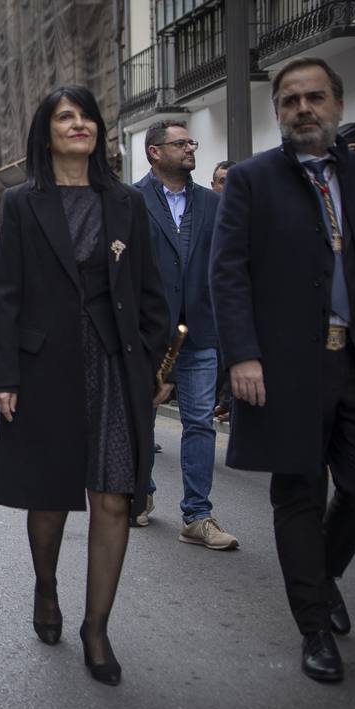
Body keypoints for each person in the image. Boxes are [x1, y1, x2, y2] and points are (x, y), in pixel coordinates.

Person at [211, 57, 355, 682]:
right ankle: (314, 626)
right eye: (289, 101)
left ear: (336, 106)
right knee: (298, 493)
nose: (302, 109)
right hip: (286, 368)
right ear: (278, 113)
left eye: (314, 98)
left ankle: (324, 574)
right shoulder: (253, 181)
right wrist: (243, 354)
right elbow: (227, 273)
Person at [0, 85, 169, 686]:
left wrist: (149, 359)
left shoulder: (126, 203)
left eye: (87, 115)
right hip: (45, 366)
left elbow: (148, 289)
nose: (79, 124)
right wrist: (5, 374)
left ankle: (97, 628)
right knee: (49, 495)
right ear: (47, 132)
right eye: (65, 117)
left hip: (114, 363)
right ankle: (46, 586)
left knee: (113, 494)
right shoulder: (21, 204)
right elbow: (6, 294)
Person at [135, 120, 237, 549]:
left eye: (191, 142)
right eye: (180, 143)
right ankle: (141, 491)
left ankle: (198, 515)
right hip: (146, 336)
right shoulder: (131, 202)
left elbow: (226, 267)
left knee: (199, 423)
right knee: (142, 419)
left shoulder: (212, 205)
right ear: (155, 152)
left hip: (200, 333)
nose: (190, 148)